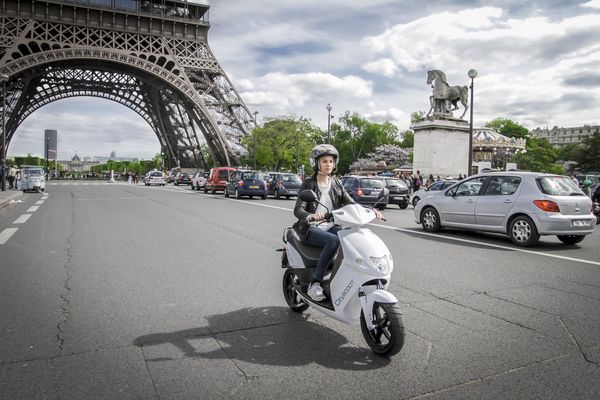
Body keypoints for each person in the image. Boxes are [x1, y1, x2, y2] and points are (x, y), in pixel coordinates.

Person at [294, 144, 383, 301]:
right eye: (324, 161)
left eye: (330, 161)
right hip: (311, 228)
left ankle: (345, 277)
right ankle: (314, 284)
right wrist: (310, 216)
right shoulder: (308, 183)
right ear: (316, 163)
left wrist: (370, 210)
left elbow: (350, 203)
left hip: (330, 225)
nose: (328, 164)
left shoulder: (336, 182)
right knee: (333, 241)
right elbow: (298, 210)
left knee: (355, 236)